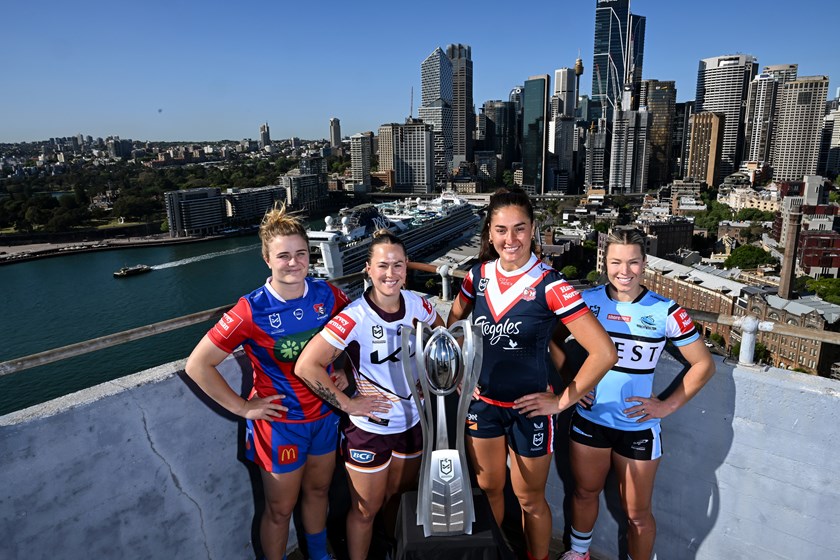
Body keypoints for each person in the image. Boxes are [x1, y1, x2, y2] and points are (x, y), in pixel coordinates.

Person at [446, 189, 617, 560]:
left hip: (531, 411)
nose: (511, 239)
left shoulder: (551, 284)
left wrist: (561, 400)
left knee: (530, 499)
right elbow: (454, 325)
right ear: (489, 233)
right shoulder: (477, 277)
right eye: (501, 230)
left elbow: (604, 352)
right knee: (489, 488)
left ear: (533, 229)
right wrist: (459, 370)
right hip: (483, 405)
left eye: (519, 229)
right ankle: (492, 554)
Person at [184, 205, 352, 560]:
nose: (294, 262)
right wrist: (243, 407)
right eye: (284, 256)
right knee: (279, 510)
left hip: (324, 417)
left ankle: (319, 556)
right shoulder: (250, 310)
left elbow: (352, 340)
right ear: (266, 258)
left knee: (319, 492)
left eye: (301, 254)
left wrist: (343, 371)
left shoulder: (328, 296)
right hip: (281, 426)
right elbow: (199, 364)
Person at [559, 229, 716, 560]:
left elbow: (703, 364)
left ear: (644, 264)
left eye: (633, 262)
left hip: (638, 430)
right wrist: (572, 385)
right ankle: (578, 553)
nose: (624, 271)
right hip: (590, 421)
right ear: (605, 262)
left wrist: (666, 405)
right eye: (616, 261)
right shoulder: (586, 302)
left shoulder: (666, 311)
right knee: (585, 493)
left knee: (637, 516)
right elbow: (551, 339)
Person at [296, 230, 445, 560]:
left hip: (412, 424)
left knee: (398, 499)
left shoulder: (420, 305)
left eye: (397, 265)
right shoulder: (355, 316)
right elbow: (307, 366)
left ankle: (392, 550)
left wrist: (437, 374)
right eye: (382, 266)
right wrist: (348, 402)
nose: (390, 274)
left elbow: (442, 337)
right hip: (370, 431)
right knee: (365, 511)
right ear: (368, 269)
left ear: (407, 267)